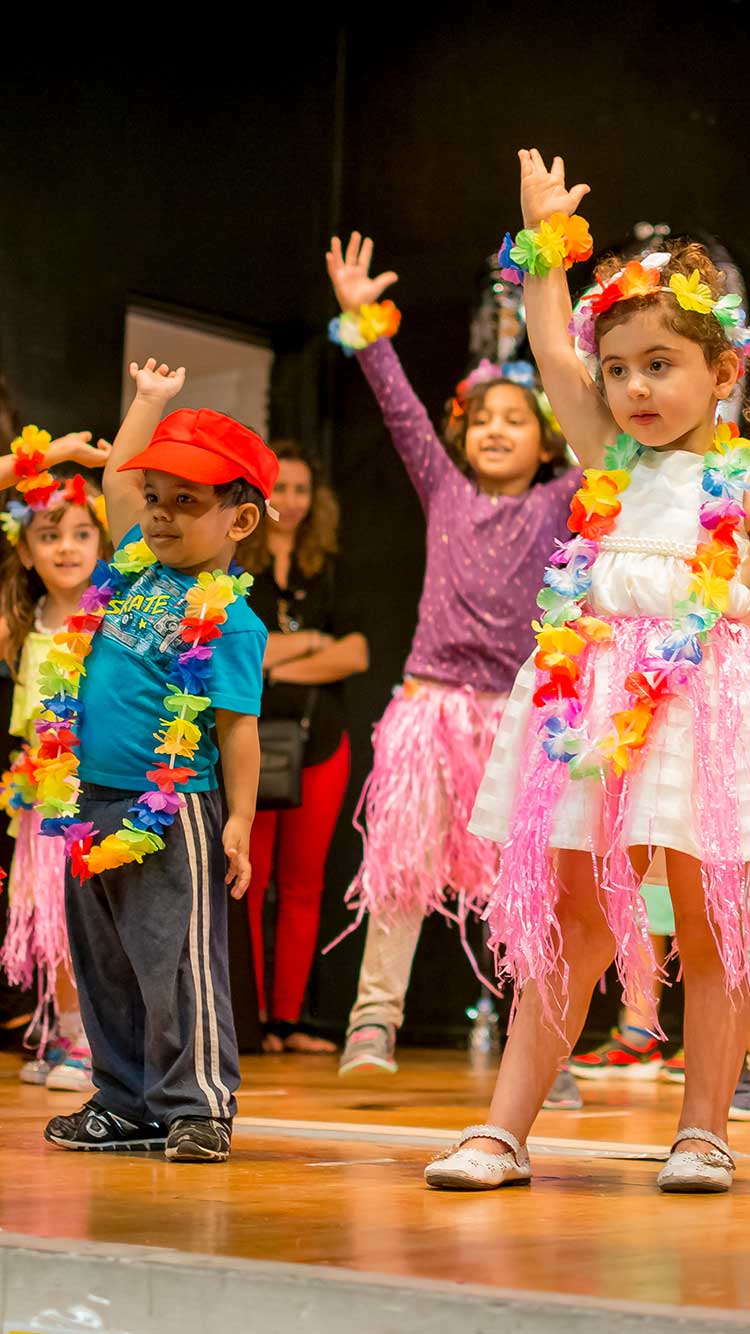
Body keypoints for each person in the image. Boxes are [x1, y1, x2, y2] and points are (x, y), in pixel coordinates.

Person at [427, 149, 750, 1195]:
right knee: (574, 918)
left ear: (725, 372)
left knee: (712, 919)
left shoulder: (740, 478)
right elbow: (548, 345)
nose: (634, 387)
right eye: (618, 369)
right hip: (596, 694)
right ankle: (503, 1130)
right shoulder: (610, 456)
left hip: (707, 699)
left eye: (660, 363)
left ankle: (703, 1131)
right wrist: (543, 246)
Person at [325, 233, 579, 1078]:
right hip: (430, 707)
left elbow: (597, 433)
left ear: (547, 442)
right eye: (483, 420)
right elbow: (400, 409)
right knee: (401, 866)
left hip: (518, 716)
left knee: (528, 884)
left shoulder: (559, 501)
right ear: (461, 435)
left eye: (517, 420)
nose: (496, 430)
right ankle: (373, 1019)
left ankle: (543, 1050)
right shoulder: (443, 489)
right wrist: (364, 322)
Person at [40, 358, 277, 1163]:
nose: (162, 516)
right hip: (93, 801)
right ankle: (124, 1099)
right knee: (105, 960)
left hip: (174, 811)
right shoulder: (130, 567)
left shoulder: (233, 622)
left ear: (239, 521)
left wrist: (240, 819)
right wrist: (147, 401)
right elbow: (115, 479)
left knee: (175, 961)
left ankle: (197, 1103)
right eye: (156, 498)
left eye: (187, 502)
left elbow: (239, 731)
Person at [238, 440, 368, 1053]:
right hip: (250, 743)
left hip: (321, 743)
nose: (289, 501)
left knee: (303, 885)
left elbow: (357, 654)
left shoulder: (330, 568)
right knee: (248, 879)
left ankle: (287, 1022)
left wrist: (277, 660)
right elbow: (243, 652)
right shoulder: (236, 568)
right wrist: (314, 644)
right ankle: (249, 1017)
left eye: (299, 489)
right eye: (278, 490)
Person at [0, 428, 111, 1089]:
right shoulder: (20, 619)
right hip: (40, 794)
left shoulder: (114, 613)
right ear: (25, 548)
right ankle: (65, 1030)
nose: (66, 547)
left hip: (96, 794)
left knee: (86, 923)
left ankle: (89, 1042)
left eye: (80, 533)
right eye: (49, 535)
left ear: (102, 541)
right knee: (49, 918)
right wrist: (52, 456)